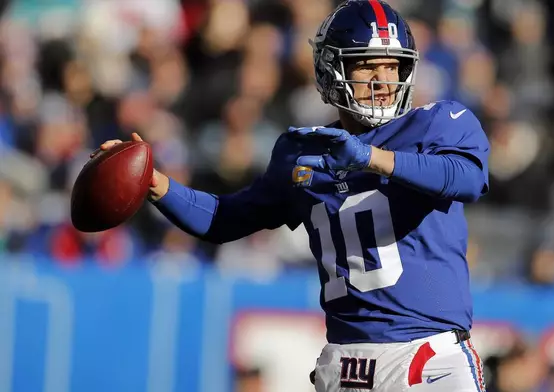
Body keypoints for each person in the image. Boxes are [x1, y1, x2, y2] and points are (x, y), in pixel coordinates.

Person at [95, 1, 489, 390]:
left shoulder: (438, 123)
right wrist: (157, 185)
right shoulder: (304, 151)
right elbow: (225, 219)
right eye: (367, 64)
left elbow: (468, 179)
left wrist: (373, 158)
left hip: (426, 357)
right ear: (332, 68)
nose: (382, 79)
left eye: (392, 65)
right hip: (345, 363)